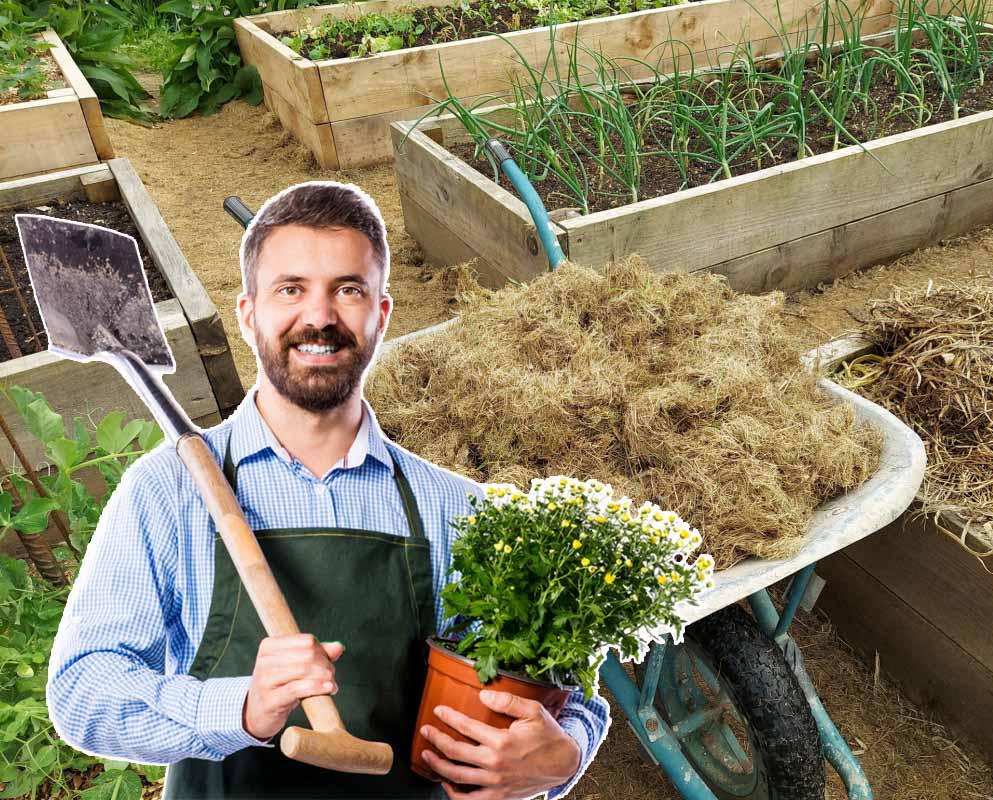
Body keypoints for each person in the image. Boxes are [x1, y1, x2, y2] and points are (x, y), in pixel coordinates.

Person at [46, 182, 610, 800]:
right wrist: (241, 708)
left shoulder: (455, 508)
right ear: (247, 313)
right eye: (291, 289)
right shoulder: (166, 492)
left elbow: (568, 690)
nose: (318, 317)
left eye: (348, 289)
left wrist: (566, 751)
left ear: (381, 315)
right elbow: (83, 692)